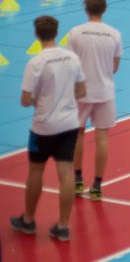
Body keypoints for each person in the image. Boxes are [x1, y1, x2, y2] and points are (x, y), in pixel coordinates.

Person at [11, 16, 85, 242]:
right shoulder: (72, 57)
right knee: (66, 173)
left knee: (35, 171)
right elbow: (81, 91)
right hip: (69, 125)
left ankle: (28, 221)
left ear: (37, 34)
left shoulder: (35, 63)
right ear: (56, 32)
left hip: (43, 127)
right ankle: (63, 226)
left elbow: (25, 100)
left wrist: (39, 100)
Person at [69, 0, 122, 202]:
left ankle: (77, 180)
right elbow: (115, 67)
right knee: (102, 138)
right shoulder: (114, 34)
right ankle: (97, 186)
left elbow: (70, 65)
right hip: (104, 92)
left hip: (80, 92)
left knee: (78, 136)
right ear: (104, 9)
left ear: (86, 9)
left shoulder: (75, 33)